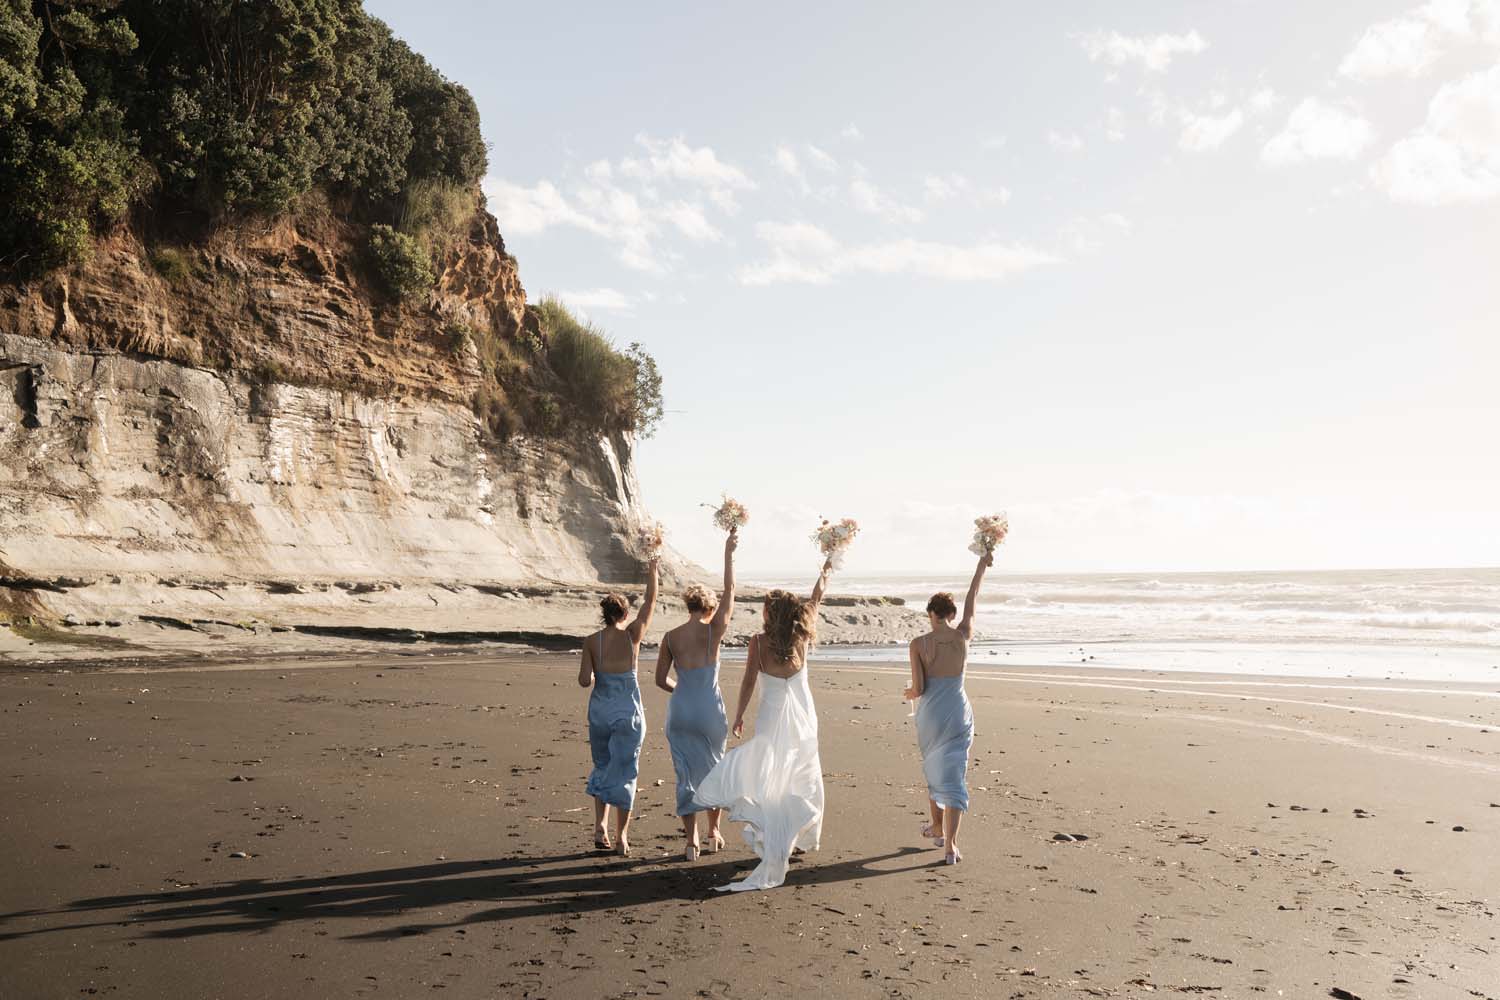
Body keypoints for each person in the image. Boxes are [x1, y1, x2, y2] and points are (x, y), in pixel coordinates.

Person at [694, 554, 834, 891]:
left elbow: (747, 682)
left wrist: (740, 714)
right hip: (802, 716)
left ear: (771, 614)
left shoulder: (758, 643)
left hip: (772, 714)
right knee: (800, 767)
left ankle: (774, 831)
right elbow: (816, 599)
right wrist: (827, 566)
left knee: (771, 773)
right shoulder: (802, 637)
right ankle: (797, 831)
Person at [904, 549, 993, 864]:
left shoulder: (918, 644)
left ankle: (939, 827)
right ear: (952, 614)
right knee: (954, 773)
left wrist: (908, 693)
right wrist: (982, 564)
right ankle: (949, 844)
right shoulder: (963, 636)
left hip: (930, 713)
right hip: (957, 709)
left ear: (930, 613)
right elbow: (974, 596)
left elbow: (919, 688)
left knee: (933, 767)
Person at [655, 530, 738, 861]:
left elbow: (662, 680)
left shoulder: (671, 636)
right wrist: (729, 552)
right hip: (708, 709)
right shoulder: (713, 631)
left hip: (681, 710)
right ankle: (714, 832)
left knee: (685, 774)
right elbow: (731, 589)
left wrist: (683, 691)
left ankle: (691, 842)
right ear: (710, 607)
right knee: (715, 769)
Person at [578, 557, 659, 856]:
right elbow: (651, 601)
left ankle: (600, 825)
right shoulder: (631, 636)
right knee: (626, 770)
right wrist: (653, 569)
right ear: (625, 613)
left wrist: (598, 671)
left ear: (604, 614)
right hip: (627, 712)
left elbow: (584, 681)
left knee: (602, 765)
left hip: (599, 711)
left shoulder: (591, 641)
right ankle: (621, 835)